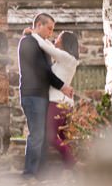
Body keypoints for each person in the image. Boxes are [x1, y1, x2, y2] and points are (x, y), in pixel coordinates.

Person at [17, 13, 73, 179]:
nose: (51, 32)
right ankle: (29, 174)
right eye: (49, 28)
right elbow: (43, 71)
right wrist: (62, 86)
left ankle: (39, 173)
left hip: (41, 96)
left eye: (53, 29)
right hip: (32, 95)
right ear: (39, 25)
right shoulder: (28, 43)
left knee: (42, 134)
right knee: (37, 134)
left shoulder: (40, 44)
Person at [32, 29, 80, 169]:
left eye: (58, 38)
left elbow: (46, 47)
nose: (55, 40)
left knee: (50, 137)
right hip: (64, 103)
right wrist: (42, 35)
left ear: (65, 42)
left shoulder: (65, 57)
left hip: (57, 102)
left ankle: (74, 164)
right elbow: (51, 46)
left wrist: (33, 33)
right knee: (63, 139)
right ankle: (70, 170)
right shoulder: (70, 59)